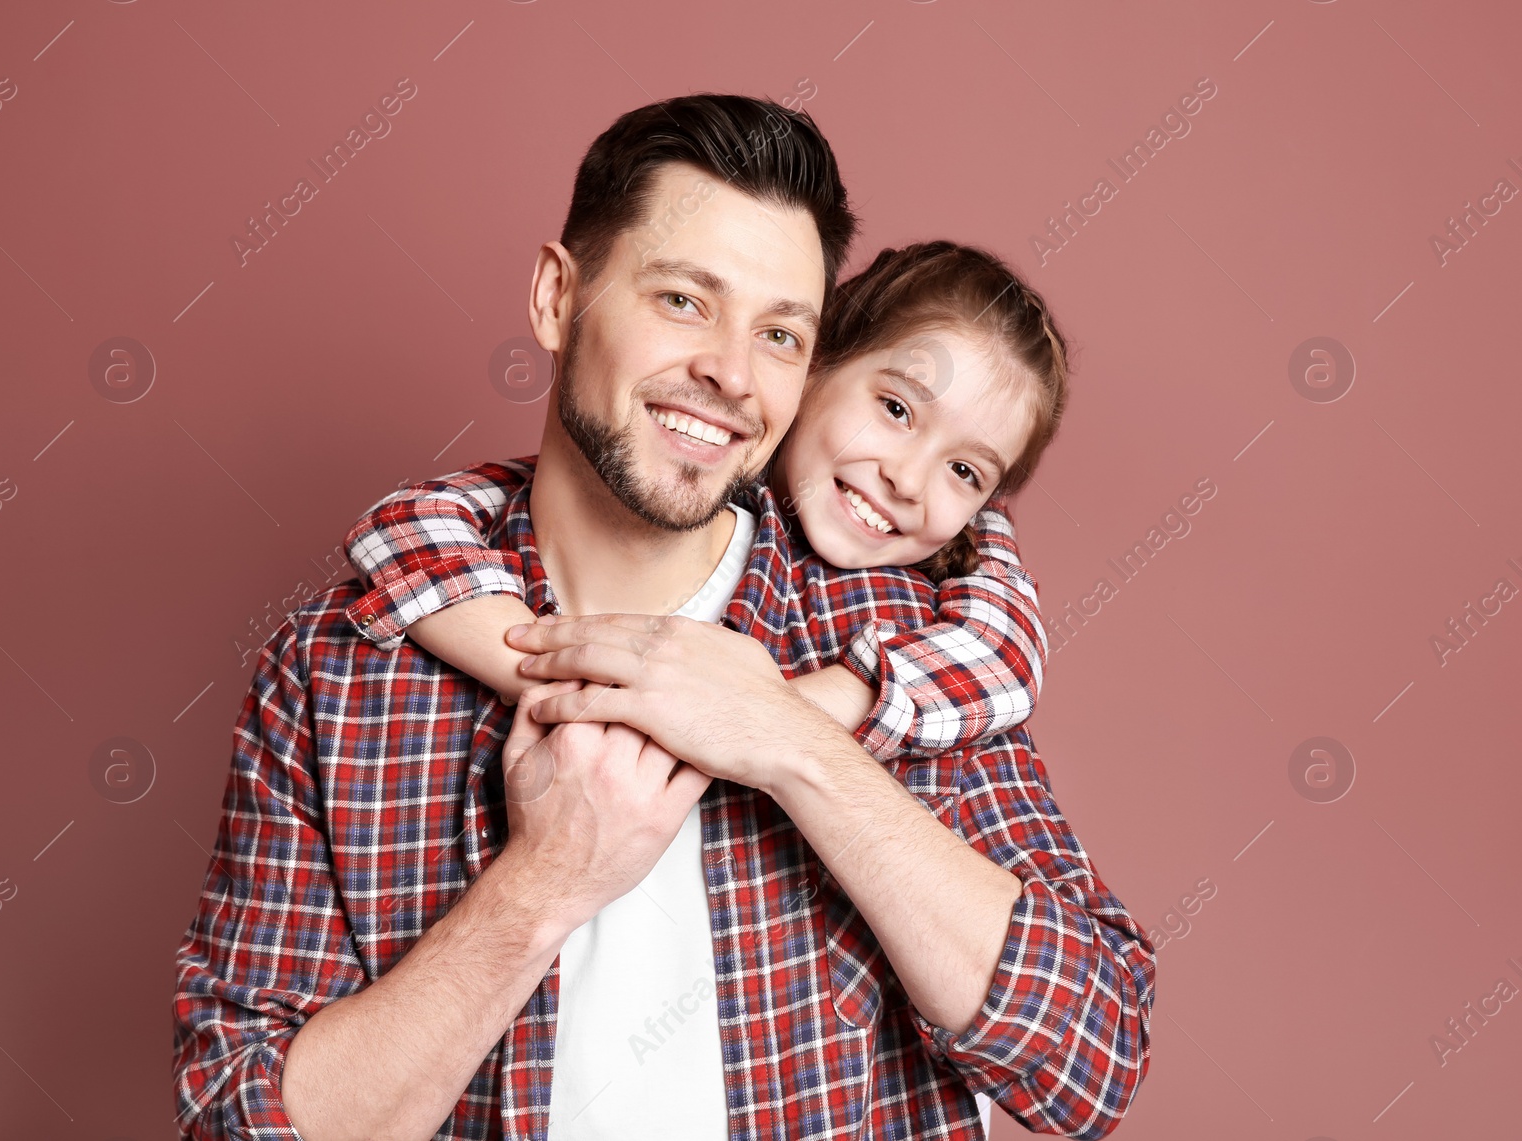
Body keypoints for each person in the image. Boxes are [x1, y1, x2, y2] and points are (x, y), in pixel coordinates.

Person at [173, 93, 1154, 1141]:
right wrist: (540, 884)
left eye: (779, 334)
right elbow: (239, 1119)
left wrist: (792, 743)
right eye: (684, 300)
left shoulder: (900, 648)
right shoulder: (342, 672)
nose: (731, 373)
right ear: (559, 298)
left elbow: (1090, 1060)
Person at [343, 241, 1058, 767]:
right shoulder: (693, 465)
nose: (907, 479)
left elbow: (1007, 652)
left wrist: (777, 714)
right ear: (813, 364)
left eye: (964, 470)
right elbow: (400, 527)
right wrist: (581, 689)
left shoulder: (935, 594)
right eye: (896, 409)